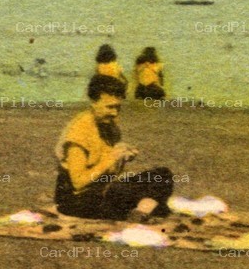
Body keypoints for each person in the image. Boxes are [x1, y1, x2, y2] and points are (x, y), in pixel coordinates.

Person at [52, 75, 174, 221]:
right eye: (109, 107)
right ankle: (145, 207)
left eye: (118, 107)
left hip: (103, 189)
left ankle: (141, 211)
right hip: (78, 200)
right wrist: (111, 158)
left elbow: (107, 166)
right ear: (93, 102)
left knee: (162, 174)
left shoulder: (108, 125)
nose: (115, 113)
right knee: (123, 191)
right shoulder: (79, 131)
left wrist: (123, 154)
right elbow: (78, 182)